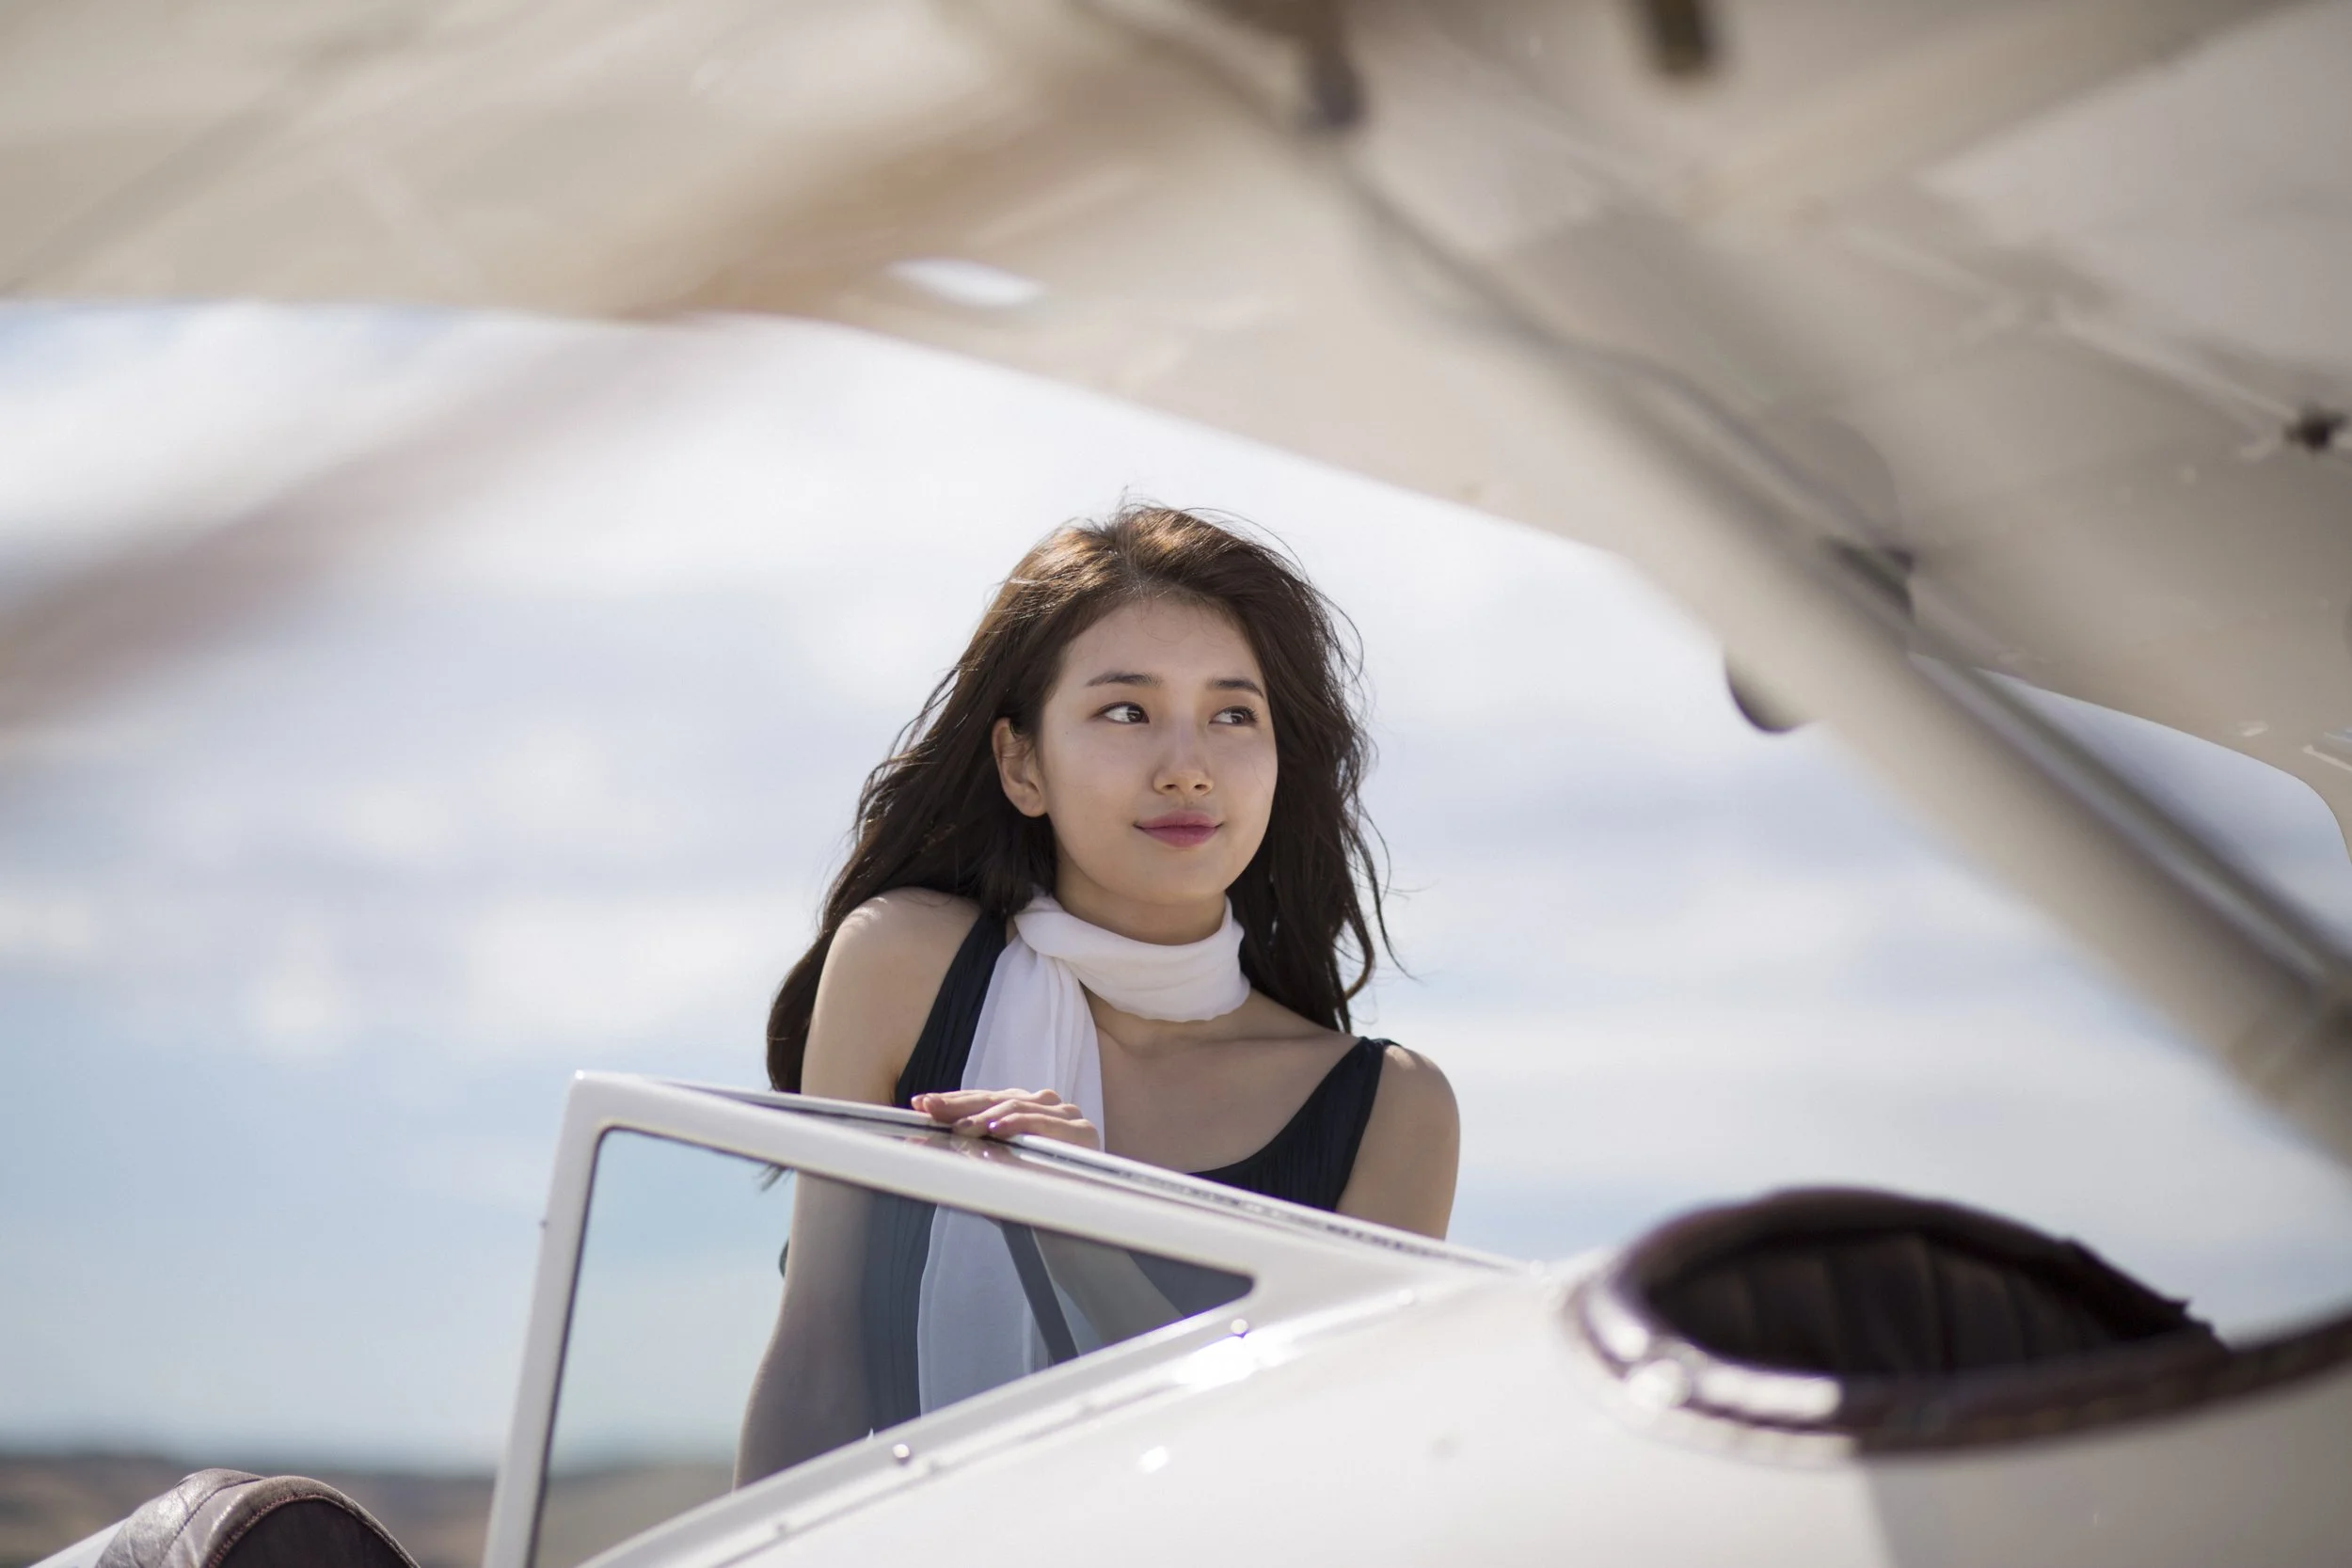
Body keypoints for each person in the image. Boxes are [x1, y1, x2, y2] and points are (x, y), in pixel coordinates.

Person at [737, 506, 1456, 1481]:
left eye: (1233, 714)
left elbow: (1322, 1473)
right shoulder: (902, 964)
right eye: (1126, 710)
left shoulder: (1391, 1109)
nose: (1187, 766)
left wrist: (1090, 1238)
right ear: (1021, 763)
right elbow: (816, 1363)